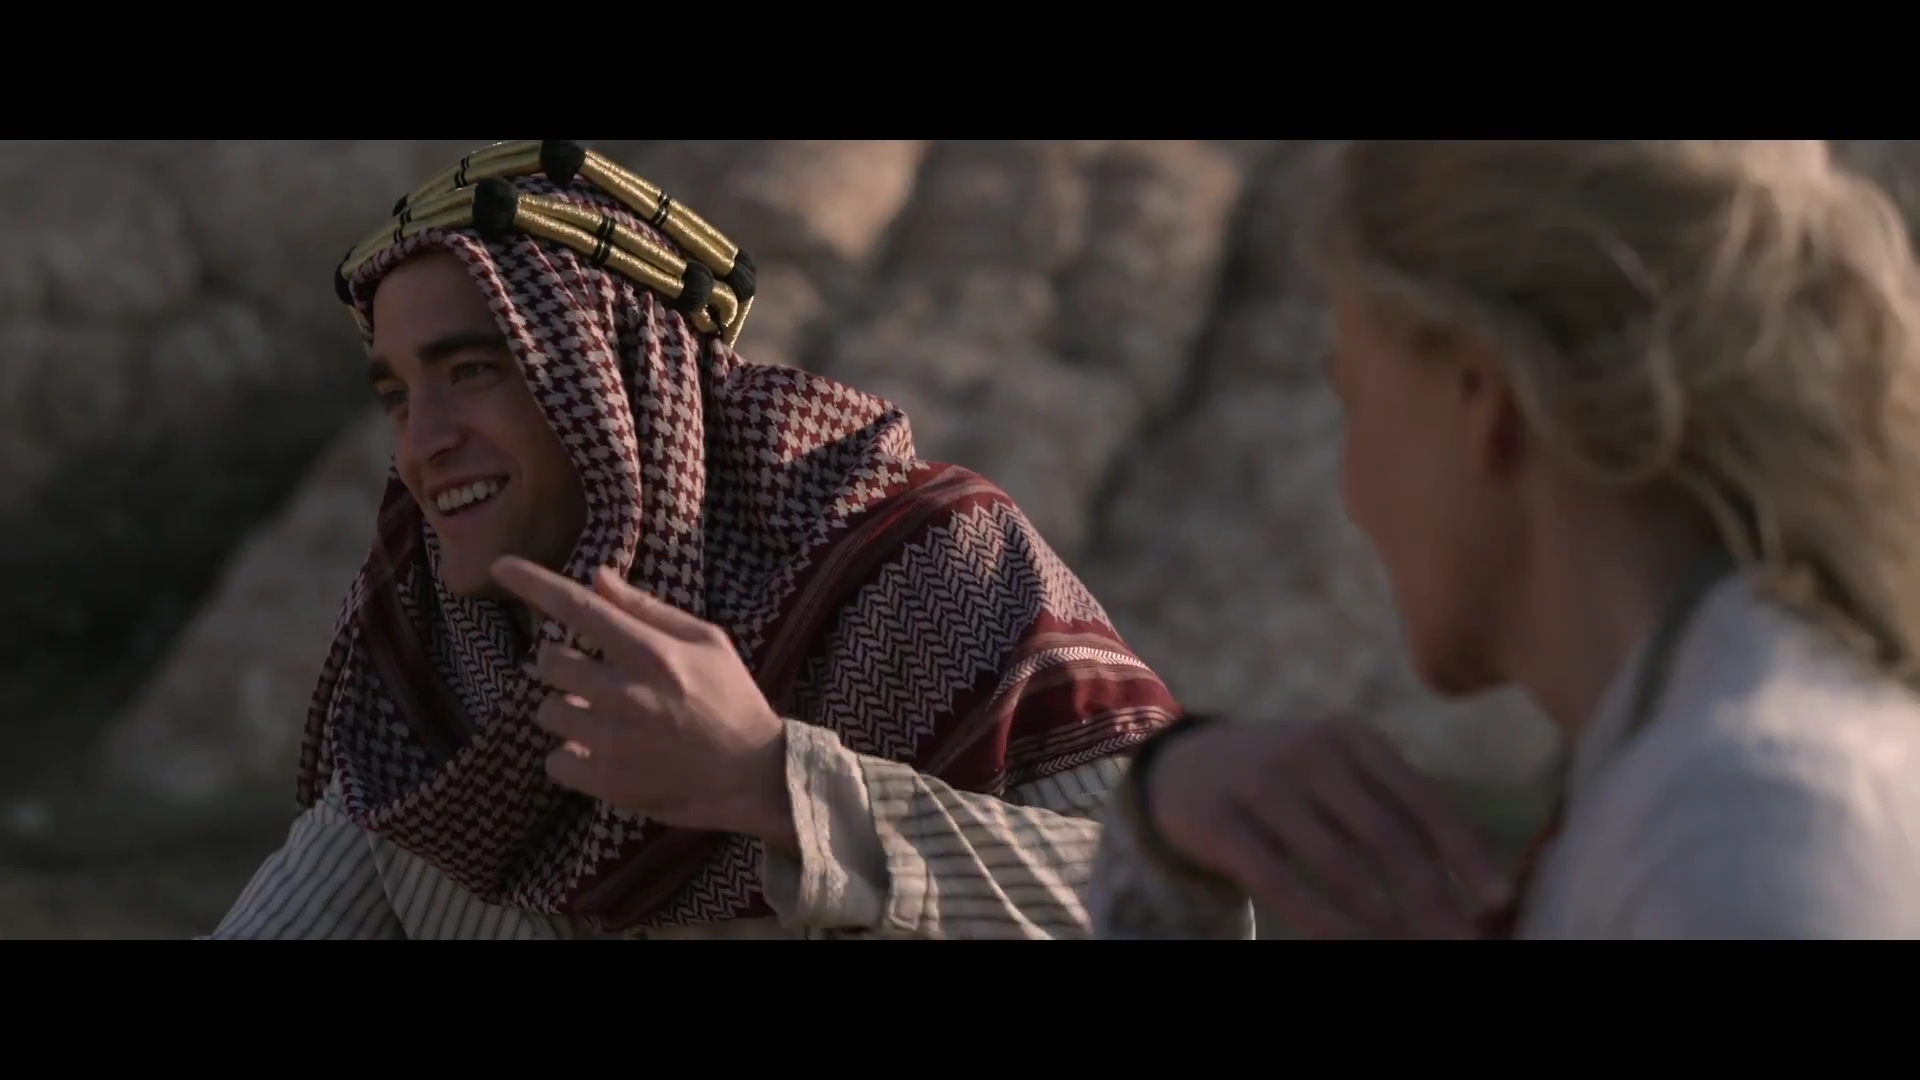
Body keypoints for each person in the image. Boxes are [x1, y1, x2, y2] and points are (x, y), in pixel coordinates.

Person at [202, 140, 1181, 939]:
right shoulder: (433, 684)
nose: (422, 444)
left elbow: (1189, 907)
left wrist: (774, 784)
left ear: (616, 378)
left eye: (472, 373)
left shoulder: (927, 569)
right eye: (397, 396)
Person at [1088, 140, 1920, 940]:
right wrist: (1168, 808)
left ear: (1482, 400)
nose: (1353, 492)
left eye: (1357, 403)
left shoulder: (1748, 827)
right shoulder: (1699, 780)